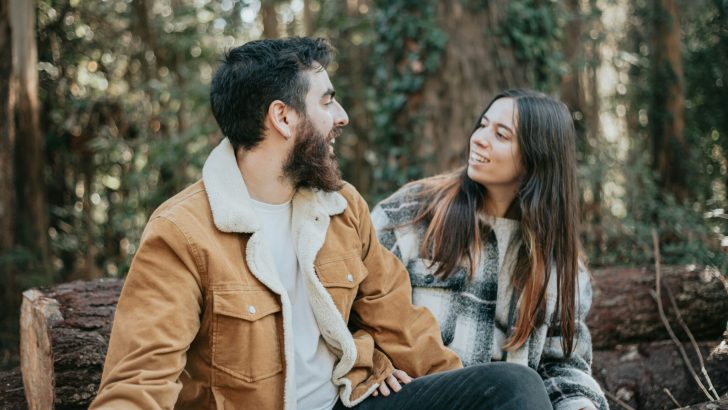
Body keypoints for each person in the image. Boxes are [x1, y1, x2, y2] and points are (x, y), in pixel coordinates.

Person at [89, 39, 552, 410]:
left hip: (347, 403)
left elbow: (404, 329)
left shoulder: (341, 207)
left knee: (513, 389)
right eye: (327, 101)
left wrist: (461, 396)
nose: (341, 116)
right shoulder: (181, 233)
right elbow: (138, 385)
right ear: (283, 117)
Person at [371, 89, 610, 410]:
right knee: (518, 381)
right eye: (482, 125)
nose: (479, 138)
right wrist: (369, 360)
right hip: (402, 396)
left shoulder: (560, 266)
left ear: (536, 156)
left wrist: (580, 404)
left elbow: (562, 364)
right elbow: (352, 304)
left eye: (501, 134)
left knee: (524, 385)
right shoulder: (412, 215)